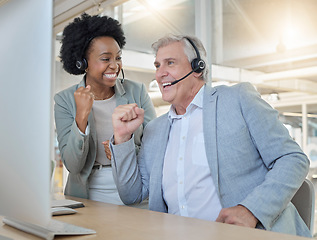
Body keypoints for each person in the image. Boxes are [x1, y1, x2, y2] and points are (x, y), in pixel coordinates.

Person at [110, 34, 311, 237]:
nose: (160, 73)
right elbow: (131, 194)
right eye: (157, 65)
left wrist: (251, 210)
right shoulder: (154, 129)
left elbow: (293, 159)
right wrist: (122, 137)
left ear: (197, 68)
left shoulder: (237, 99)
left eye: (170, 63)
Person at [54, 13, 156, 206]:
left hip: (136, 185)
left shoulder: (137, 91)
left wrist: (123, 151)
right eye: (105, 58)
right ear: (82, 63)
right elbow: (73, 165)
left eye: (118, 57)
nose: (114, 65)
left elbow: (155, 148)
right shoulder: (64, 100)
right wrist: (81, 116)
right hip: (88, 193)